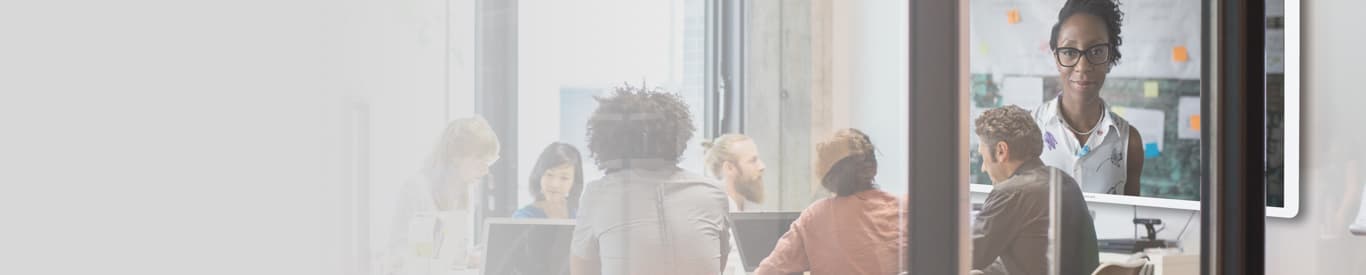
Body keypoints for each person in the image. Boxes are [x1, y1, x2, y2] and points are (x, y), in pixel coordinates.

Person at [569, 85, 730, 275]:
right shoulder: (712, 192)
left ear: (608, 141)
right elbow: (716, 266)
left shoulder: (598, 194)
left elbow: (582, 271)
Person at [754, 129, 906, 275]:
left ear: (825, 175)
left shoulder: (814, 217)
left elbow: (769, 271)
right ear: (873, 168)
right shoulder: (905, 209)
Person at [1034, 0, 1144, 196]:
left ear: (1110, 58)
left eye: (1096, 51)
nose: (1082, 66)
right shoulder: (1027, 130)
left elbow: (1130, 223)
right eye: (1069, 52)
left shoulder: (1129, 142)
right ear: (1056, 58)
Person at [973, 106, 1098, 275]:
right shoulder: (1064, 181)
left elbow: (964, 257)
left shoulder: (1011, 193)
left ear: (1001, 151)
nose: (983, 168)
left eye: (983, 157)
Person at [385, 116, 501, 274]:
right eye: (480, 160)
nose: (485, 170)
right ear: (455, 156)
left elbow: (456, 254)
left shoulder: (466, 192)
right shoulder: (417, 189)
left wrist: (470, 258)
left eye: (489, 162)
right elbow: (398, 257)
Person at [513, 142, 585, 219]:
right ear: (539, 175)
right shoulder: (523, 217)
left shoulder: (582, 215)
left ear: (574, 181)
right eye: (549, 174)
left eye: (564, 178)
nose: (554, 184)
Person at [702, 134, 768, 212]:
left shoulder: (753, 210)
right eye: (753, 160)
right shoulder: (710, 212)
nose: (762, 166)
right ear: (729, 168)